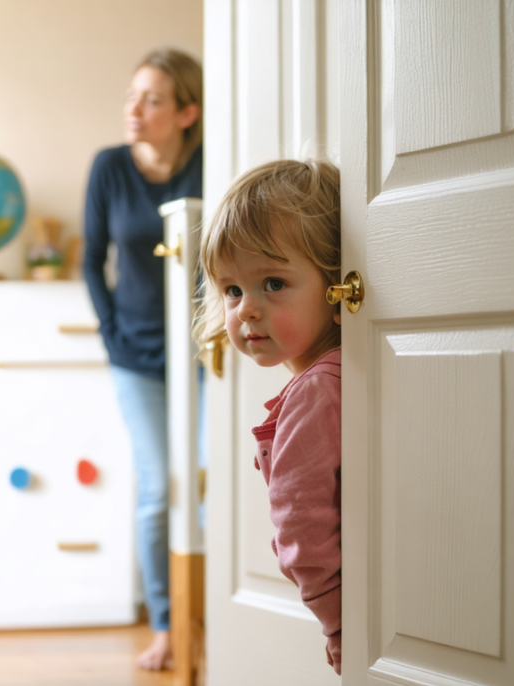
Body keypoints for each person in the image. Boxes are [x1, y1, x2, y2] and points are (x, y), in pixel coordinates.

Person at [194, 158, 343, 674]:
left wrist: (339, 622)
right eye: (232, 290)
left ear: (337, 283)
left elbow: (302, 529)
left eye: (273, 283)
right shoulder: (342, 373)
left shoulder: (316, 391)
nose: (245, 310)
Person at [82, 48, 203, 672]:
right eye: (133, 95)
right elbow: (91, 259)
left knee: (214, 487)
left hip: (208, 356)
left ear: (187, 111)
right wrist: (110, 336)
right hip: (136, 358)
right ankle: (167, 625)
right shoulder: (109, 167)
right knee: (160, 490)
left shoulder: (211, 164)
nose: (134, 108)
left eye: (152, 98)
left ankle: (214, 617)